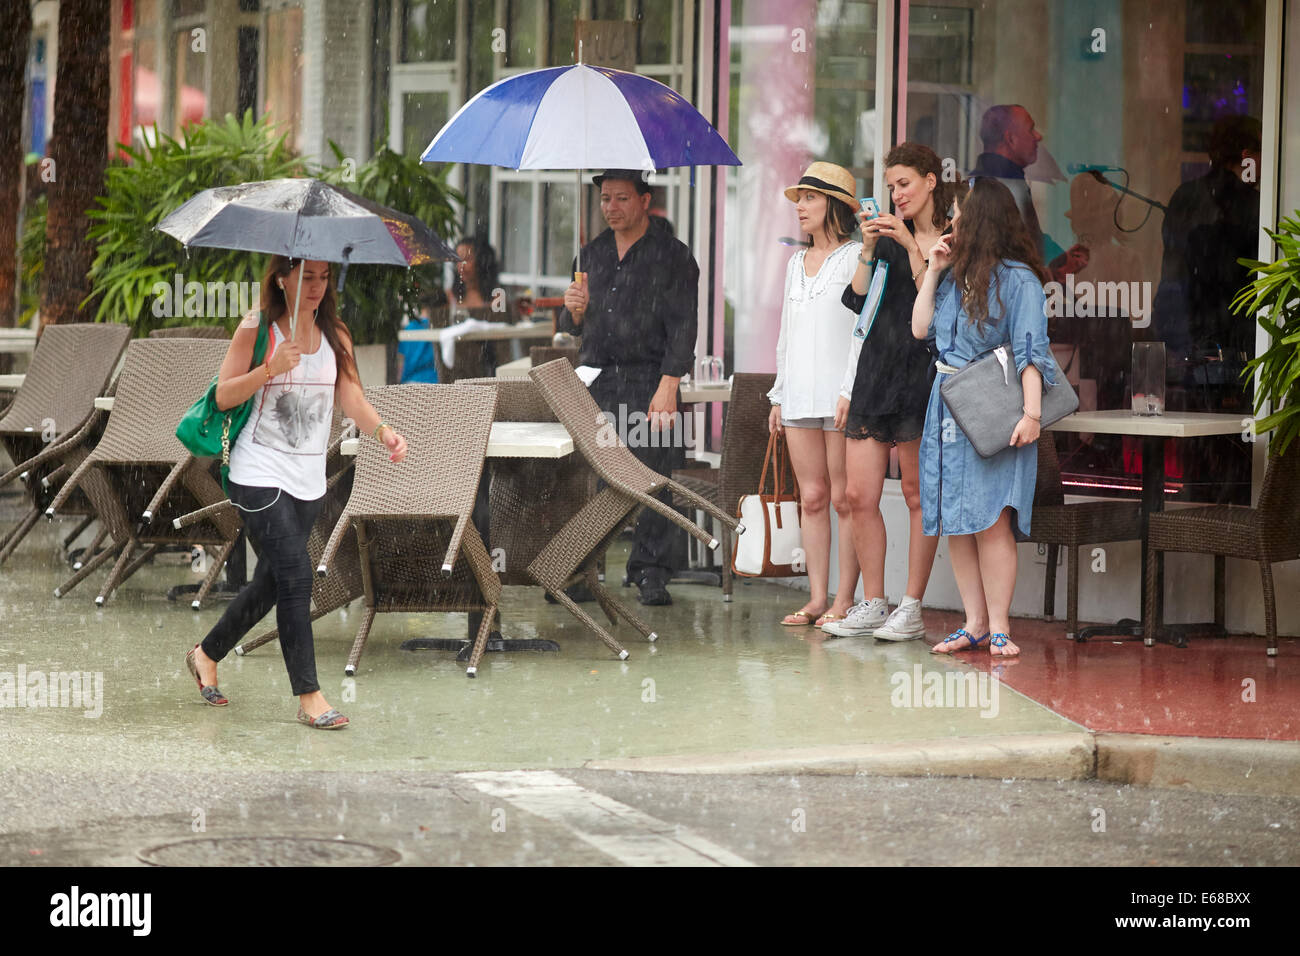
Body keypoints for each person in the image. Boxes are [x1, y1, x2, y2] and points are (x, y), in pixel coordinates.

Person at [185, 256, 409, 728]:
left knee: (273, 581)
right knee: (297, 573)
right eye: (307, 276)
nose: (317, 287)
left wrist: (383, 431)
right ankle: (310, 697)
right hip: (256, 470)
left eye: (324, 278)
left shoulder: (335, 334)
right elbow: (223, 395)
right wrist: (269, 368)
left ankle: (206, 654)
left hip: (308, 480)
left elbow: (351, 398)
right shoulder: (257, 327)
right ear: (282, 278)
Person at [911, 178, 1055, 658]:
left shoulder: (1019, 279)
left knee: (992, 519)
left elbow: (1031, 351)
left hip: (993, 408)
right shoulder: (955, 274)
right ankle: (972, 622)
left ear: (981, 218)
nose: (951, 221)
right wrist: (932, 270)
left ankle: (998, 626)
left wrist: (1032, 414)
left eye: (957, 212)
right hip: (947, 403)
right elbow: (920, 328)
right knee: (957, 520)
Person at [823, 144, 950, 640]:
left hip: (923, 374)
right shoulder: (887, 239)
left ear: (931, 181)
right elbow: (855, 300)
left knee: (919, 494)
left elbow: (940, 309)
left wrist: (911, 244)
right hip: (875, 371)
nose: (897, 195)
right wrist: (872, 247)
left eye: (905, 184)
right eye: (891, 186)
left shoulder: (950, 238)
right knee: (857, 494)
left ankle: (912, 606)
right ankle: (873, 600)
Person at [557, 169, 698, 606]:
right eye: (604, 200)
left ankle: (651, 572)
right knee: (593, 477)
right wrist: (574, 312)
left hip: (651, 378)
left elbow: (683, 327)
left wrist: (669, 385)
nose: (611, 208)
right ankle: (582, 569)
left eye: (620, 199)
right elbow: (571, 330)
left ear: (644, 200)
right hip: (597, 378)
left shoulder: (673, 256)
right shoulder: (590, 255)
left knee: (655, 476)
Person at [766, 161, 862, 629]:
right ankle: (817, 598)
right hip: (800, 396)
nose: (800, 207)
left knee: (845, 498)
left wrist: (850, 389)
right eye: (799, 199)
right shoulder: (793, 264)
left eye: (810, 198)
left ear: (835, 206)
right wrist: (778, 395)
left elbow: (862, 331)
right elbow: (786, 334)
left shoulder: (856, 257)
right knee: (813, 498)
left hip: (842, 396)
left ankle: (846, 599)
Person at [397, 284, 447, 384]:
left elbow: (400, 364)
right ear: (443, 307)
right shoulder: (440, 328)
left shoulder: (409, 328)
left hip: (409, 384)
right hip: (434, 384)